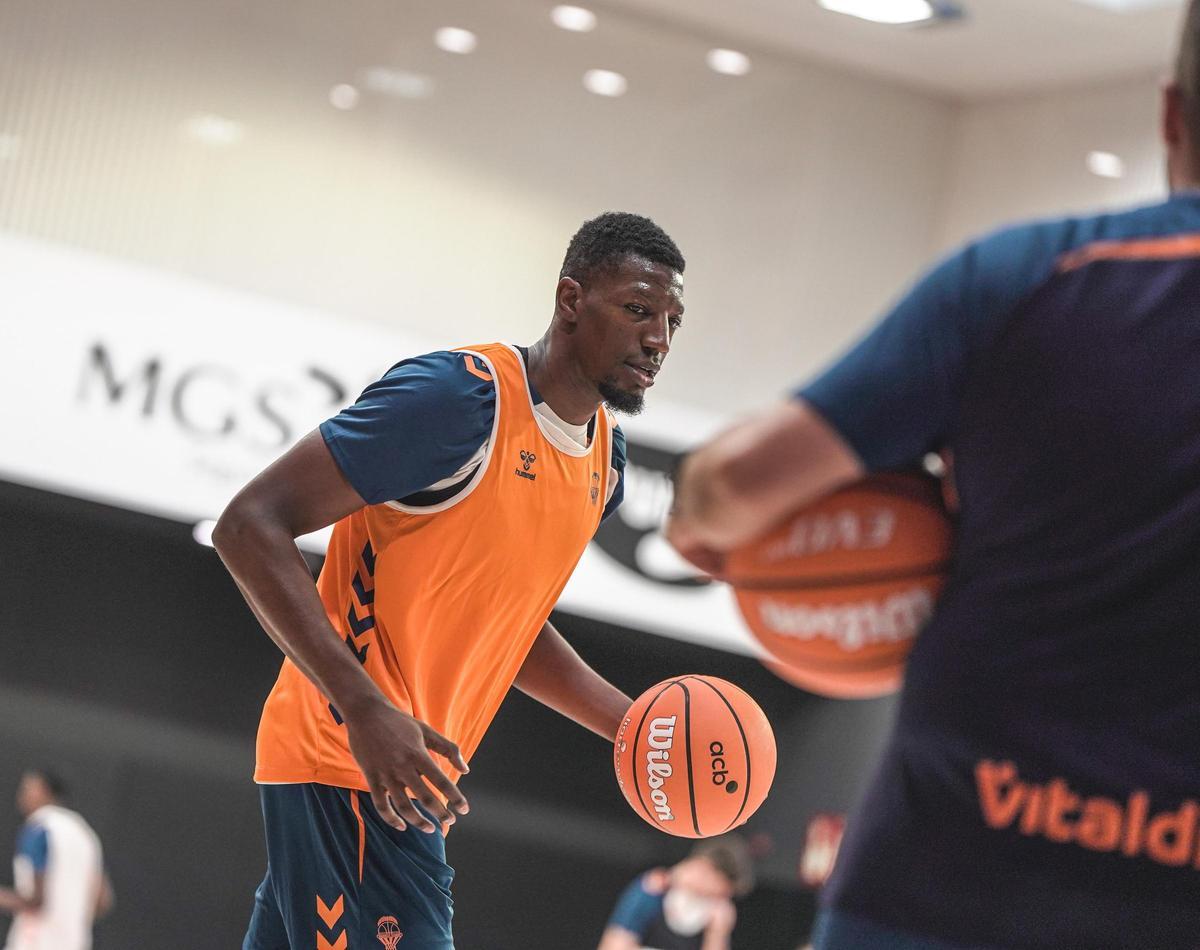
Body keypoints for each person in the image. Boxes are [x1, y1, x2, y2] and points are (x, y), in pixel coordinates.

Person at [666, 6, 1200, 946]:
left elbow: (725, 492)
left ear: (1171, 114)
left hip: (941, 882)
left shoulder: (1029, 277)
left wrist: (720, 529)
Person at [214, 212, 686, 949]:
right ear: (570, 299)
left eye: (671, 321)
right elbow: (248, 525)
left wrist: (629, 727)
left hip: (396, 788)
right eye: (637, 310)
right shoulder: (458, 399)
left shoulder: (605, 466)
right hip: (348, 766)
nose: (657, 339)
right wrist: (365, 710)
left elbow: (508, 623)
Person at [0, 770, 112, 950]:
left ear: (46, 792)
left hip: (35, 942)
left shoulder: (39, 828)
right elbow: (102, 901)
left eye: (28, 789)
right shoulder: (85, 834)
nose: (21, 795)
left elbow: (36, 900)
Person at [598, 838, 752, 950]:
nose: (720, 899)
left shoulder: (717, 917)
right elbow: (612, 945)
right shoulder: (653, 889)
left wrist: (717, 935)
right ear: (705, 869)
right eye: (718, 892)